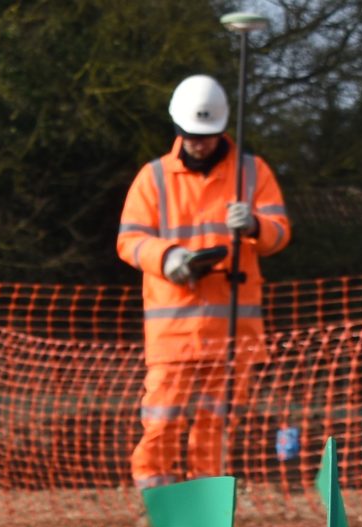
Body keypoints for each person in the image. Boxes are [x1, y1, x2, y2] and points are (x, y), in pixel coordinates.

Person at [116, 74, 292, 489]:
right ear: (177, 129)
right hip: (173, 327)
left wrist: (254, 224)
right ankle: (159, 503)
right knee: (161, 419)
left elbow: (280, 233)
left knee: (217, 424)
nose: (200, 142)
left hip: (233, 331)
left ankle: (206, 505)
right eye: (192, 135)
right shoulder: (153, 177)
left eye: (208, 135)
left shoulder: (252, 172)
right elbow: (129, 240)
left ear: (223, 128)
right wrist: (169, 257)